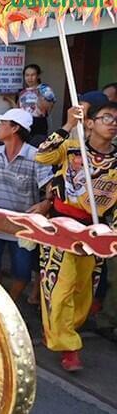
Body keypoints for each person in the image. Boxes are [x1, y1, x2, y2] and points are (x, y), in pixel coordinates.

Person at [35, 99, 117, 370]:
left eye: (116, 119)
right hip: (60, 226)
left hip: (95, 230)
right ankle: (68, 346)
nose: (113, 123)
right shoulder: (71, 148)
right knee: (60, 287)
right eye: (106, 117)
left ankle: (70, 330)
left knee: (83, 290)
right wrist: (69, 125)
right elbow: (42, 155)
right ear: (90, 123)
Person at [0, 108, 53, 303]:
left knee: (23, 271)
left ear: (16, 128)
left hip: (21, 226)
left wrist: (46, 203)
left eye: (2, 124)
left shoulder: (37, 156)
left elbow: (50, 187)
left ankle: (11, 302)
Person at [2, 64, 56, 141]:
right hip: (23, 123)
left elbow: (47, 109)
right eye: (27, 75)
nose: (30, 78)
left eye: (33, 75)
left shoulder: (45, 89)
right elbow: (19, 110)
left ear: (38, 76)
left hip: (38, 123)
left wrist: (39, 94)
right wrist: (10, 100)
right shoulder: (22, 92)